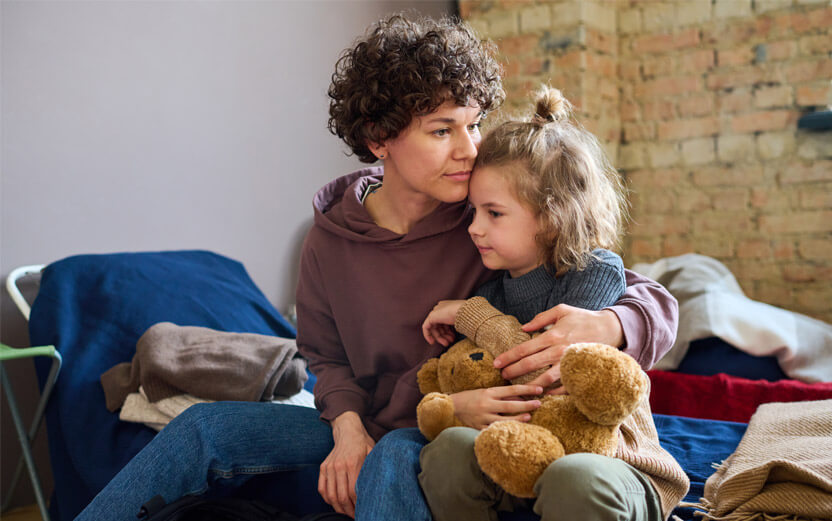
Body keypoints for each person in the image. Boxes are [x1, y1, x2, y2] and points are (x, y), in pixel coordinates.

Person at [74, 14, 678, 521]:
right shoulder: (329, 241)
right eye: (442, 130)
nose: (468, 149)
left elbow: (633, 288)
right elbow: (325, 357)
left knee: (394, 458)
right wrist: (345, 427)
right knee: (204, 427)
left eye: (472, 125)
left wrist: (607, 326)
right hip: (373, 418)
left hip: (441, 421)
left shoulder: (485, 221)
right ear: (379, 139)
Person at [416, 87, 688, 521]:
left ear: (551, 217)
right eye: (473, 212)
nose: (474, 228)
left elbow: (547, 372)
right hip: (520, 456)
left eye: (494, 213)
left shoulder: (594, 271)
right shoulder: (491, 294)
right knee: (448, 449)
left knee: (572, 477)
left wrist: (472, 316)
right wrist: (460, 405)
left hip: (609, 461)